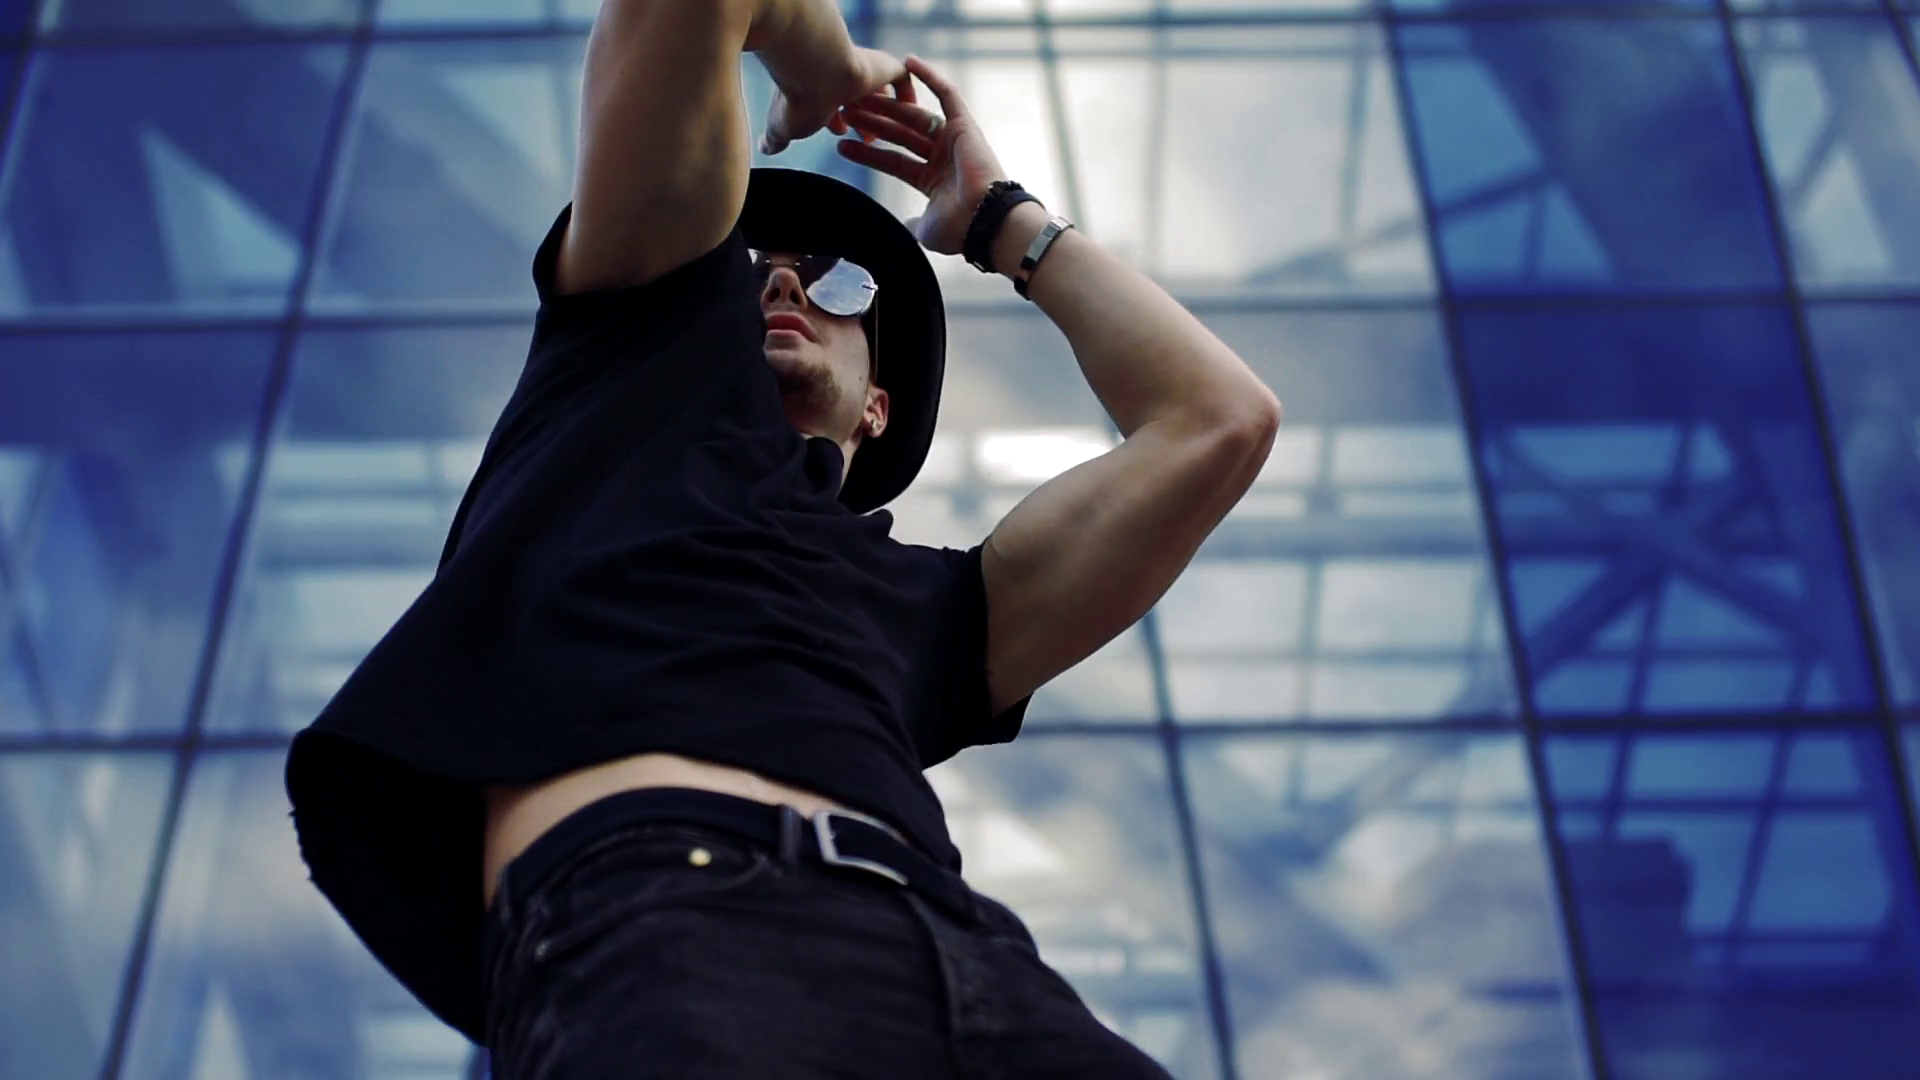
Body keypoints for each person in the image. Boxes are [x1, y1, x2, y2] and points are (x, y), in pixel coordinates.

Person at [284, 0, 1281, 1076]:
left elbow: (1220, 421)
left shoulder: (940, 612)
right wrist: (826, 66)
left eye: (842, 282)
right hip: (672, 919)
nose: (786, 279)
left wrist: (1001, 220)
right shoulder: (619, 371)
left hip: (978, 964)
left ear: (877, 408)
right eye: (754, 261)